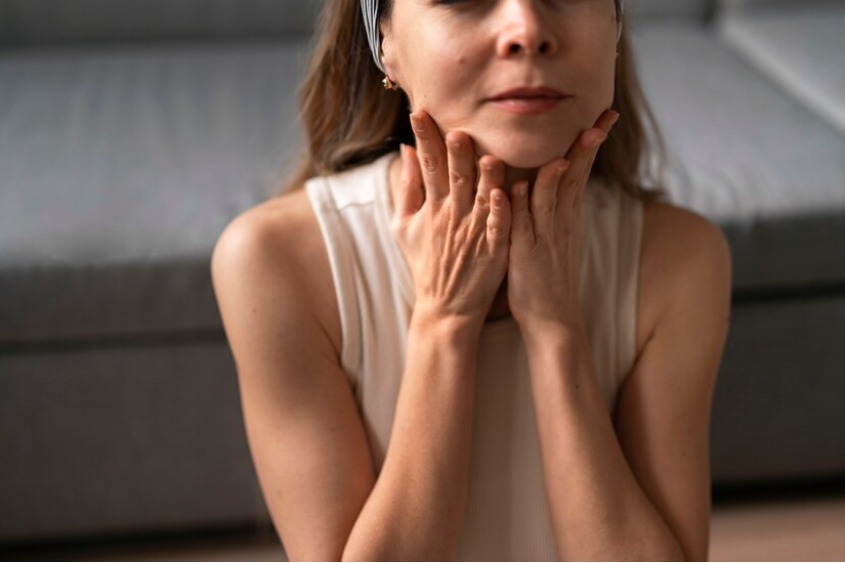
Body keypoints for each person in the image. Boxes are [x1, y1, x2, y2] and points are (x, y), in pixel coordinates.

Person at [211, 0, 732, 560]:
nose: (527, 30)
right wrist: (446, 319)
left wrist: (555, 326)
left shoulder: (680, 259)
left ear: (616, 27)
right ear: (385, 43)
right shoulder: (274, 262)